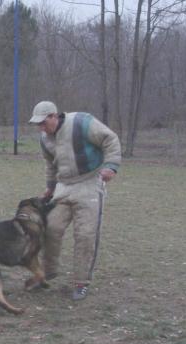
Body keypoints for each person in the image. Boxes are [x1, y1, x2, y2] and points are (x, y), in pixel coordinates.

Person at [29, 101, 121, 300]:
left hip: (89, 183)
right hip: (63, 187)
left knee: (85, 234)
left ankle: (81, 282)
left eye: (44, 123)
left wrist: (111, 166)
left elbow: (110, 139)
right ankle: (47, 271)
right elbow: (50, 164)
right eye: (38, 125)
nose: (41, 128)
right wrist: (50, 187)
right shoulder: (45, 138)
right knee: (50, 228)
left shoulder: (81, 122)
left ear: (54, 116)